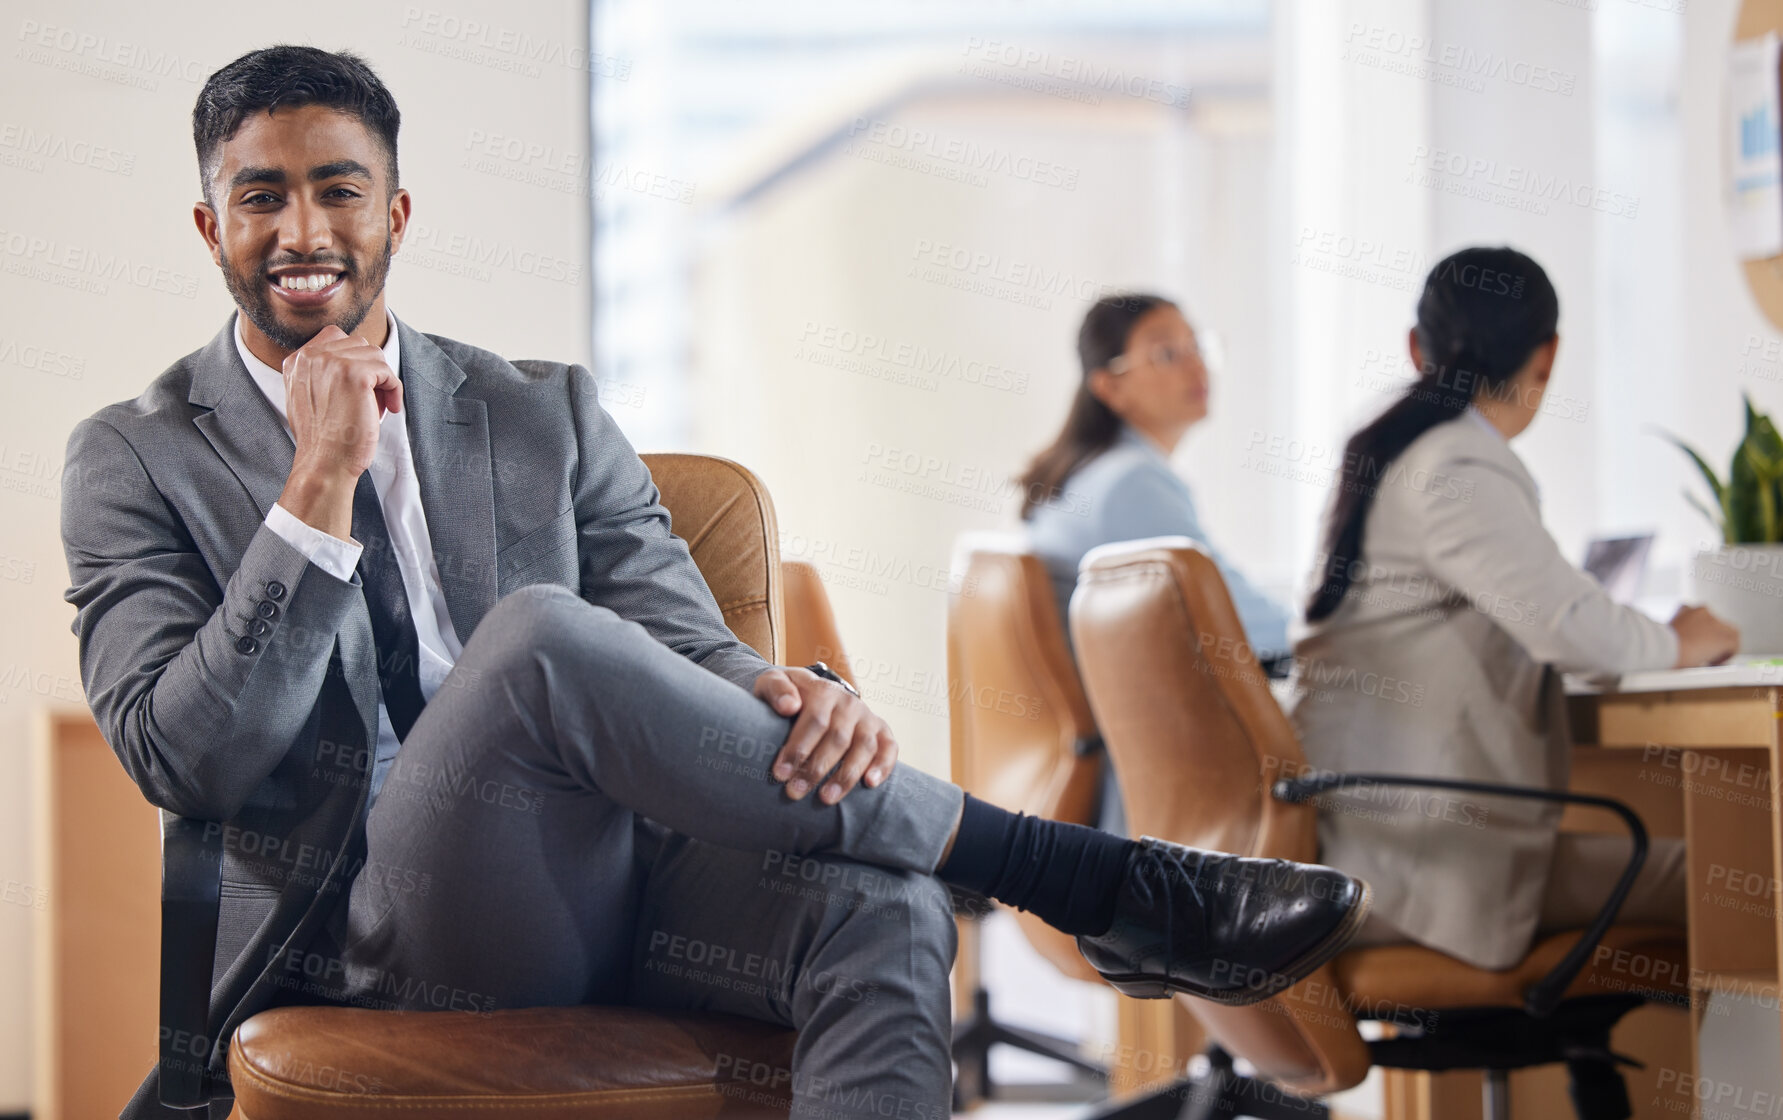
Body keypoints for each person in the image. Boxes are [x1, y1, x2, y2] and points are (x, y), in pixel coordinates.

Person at [60, 48, 1370, 1120]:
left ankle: (1053, 879)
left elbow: (689, 641)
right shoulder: (134, 457)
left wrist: (792, 694)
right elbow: (189, 760)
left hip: (605, 886)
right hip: (361, 934)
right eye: (261, 197)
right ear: (209, 225)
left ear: (394, 213)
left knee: (885, 908)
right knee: (529, 643)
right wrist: (317, 491)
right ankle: (1082, 878)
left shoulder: (540, 415)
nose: (302, 229)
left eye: (337, 189)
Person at [1286, 246, 1737, 971]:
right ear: (1546, 356)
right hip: (1424, 867)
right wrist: (1678, 639)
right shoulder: (1454, 463)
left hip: (1373, 845)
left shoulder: (1388, 450)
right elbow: (1580, 635)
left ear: (1414, 348)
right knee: (1736, 878)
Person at [1022, 293, 1293, 664]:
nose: (1197, 367)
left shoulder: (1084, 474)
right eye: (1167, 354)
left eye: (1196, 346)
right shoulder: (1133, 485)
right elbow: (1233, 619)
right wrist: (1323, 638)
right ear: (1110, 387)